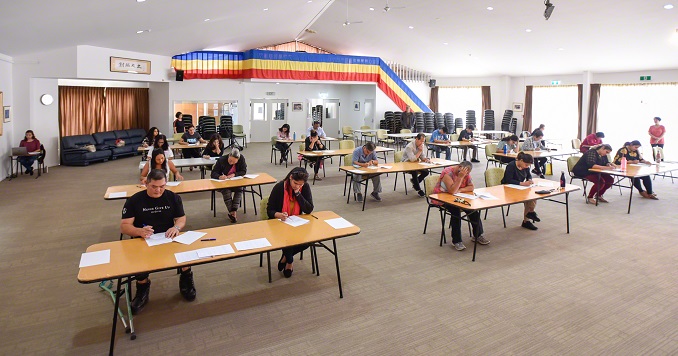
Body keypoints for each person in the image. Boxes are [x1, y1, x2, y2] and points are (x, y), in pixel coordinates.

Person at [120, 169, 194, 314]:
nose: (158, 190)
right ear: (146, 184)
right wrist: (139, 231)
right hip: (143, 238)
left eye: (162, 186)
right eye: (154, 186)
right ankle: (143, 288)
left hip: (168, 236)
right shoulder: (134, 200)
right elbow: (124, 226)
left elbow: (181, 218)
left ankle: (186, 279)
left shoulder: (173, 197)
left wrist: (176, 227)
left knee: (186, 253)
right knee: (139, 261)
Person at [267, 167, 314, 278]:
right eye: (295, 183)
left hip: (297, 222)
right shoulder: (279, 188)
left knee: (308, 241)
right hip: (279, 223)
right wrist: (278, 214)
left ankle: (285, 257)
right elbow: (270, 210)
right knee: (287, 239)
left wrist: (298, 193)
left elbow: (309, 209)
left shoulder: (304, 187)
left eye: (300, 185)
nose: (297, 186)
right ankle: (289, 261)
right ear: (290, 177)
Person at [432, 161, 488, 250]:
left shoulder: (466, 173)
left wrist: (460, 190)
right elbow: (452, 191)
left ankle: (478, 235)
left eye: (467, 173)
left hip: (458, 197)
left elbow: (471, 187)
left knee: (472, 209)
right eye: (465, 172)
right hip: (442, 198)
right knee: (455, 211)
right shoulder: (447, 173)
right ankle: (457, 241)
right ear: (459, 167)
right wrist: (460, 177)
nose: (466, 175)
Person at [501, 152, 541, 230]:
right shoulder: (511, 166)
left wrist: (529, 180)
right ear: (521, 160)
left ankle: (529, 216)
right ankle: (529, 215)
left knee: (532, 196)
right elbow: (508, 180)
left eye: (528, 166)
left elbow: (529, 175)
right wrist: (522, 183)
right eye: (526, 165)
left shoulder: (526, 167)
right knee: (529, 198)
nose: (527, 167)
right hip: (508, 187)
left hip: (519, 187)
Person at [211, 148, 247, 223]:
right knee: (226, 191)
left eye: (234, 162)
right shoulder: (221, 160)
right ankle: (232, 212)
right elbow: (213, 173)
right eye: (230, 161)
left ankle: (234, 211)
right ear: (229, 155)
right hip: (224, 183)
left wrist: (235, 174)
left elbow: (243, 171)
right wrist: (219, 177)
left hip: (236, 182)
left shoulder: (241, 159)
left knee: (240, 189)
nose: (231, 163)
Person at [402, 133, 431, 197]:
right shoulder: (409, 147)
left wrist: (426, 159)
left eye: (423, 141)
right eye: (421, 141)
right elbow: (412, 159)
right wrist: (420, 151)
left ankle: (415, 182)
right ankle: (418, 189)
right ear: (416, 139)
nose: (422, 143)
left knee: (426, 172)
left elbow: (422, 157)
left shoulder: (421, 145)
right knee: (414, 171)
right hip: (406, 163)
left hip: (415, 163)